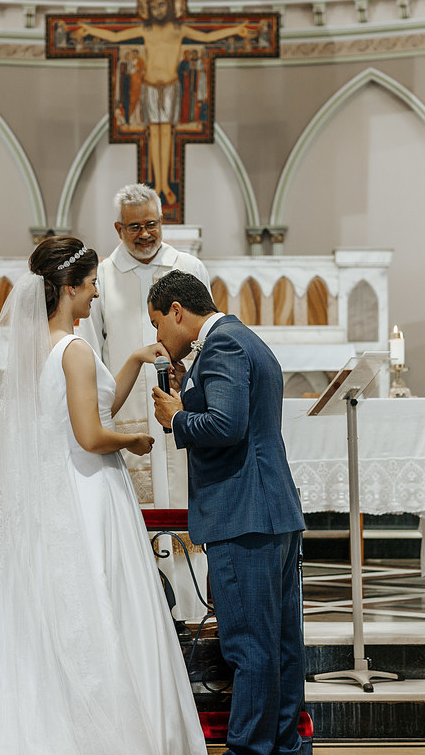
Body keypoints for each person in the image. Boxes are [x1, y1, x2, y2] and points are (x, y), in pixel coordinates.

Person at [0, 236, 205, 755]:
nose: (96, 293)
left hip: (51, 494)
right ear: (68, 287)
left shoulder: (37, 349)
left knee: (46, 611)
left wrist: (134, 361)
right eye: (91, 284)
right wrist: (134, 442)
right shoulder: (74, 349)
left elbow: (91, 406)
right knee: (99, 605)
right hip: (88, 490)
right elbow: (93, 434)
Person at [149, 270, 306, 755]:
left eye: (158, 324)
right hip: (270, 512)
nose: (158, 338)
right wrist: (188, 393)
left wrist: (175, 416)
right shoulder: (244, 338)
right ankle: (283, 747)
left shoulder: (223, 346)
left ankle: (248, 750)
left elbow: (226, 424)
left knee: (249, 647)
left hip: (244, 516)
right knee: (280, 648)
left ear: (177, 310)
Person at [80, 182, 211, 622]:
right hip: (126, 409)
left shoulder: (189, 266)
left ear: (162, 221)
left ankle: (192, 615)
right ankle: (142, 620)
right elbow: (91, 349)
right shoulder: (102, 275)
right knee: (135, 515)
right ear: (118, 228)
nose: (145, 234)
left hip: (179, 405)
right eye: (134, 226)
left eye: (152, 224)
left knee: (184, 507)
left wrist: (186, 377)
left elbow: (205, 333)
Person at [71, 0, 255, 205]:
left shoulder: (179, 30)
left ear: (170, 6)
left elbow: (207, 37)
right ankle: (156, 185)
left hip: (170, 86)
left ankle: (164, 185)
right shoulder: (145, 30)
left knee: (166, 135)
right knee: (154, 135)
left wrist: (235, 30)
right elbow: (117, 37)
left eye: (161, 5)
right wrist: (90, 30)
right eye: (153, 6)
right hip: (149, 85)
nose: (157, 10)